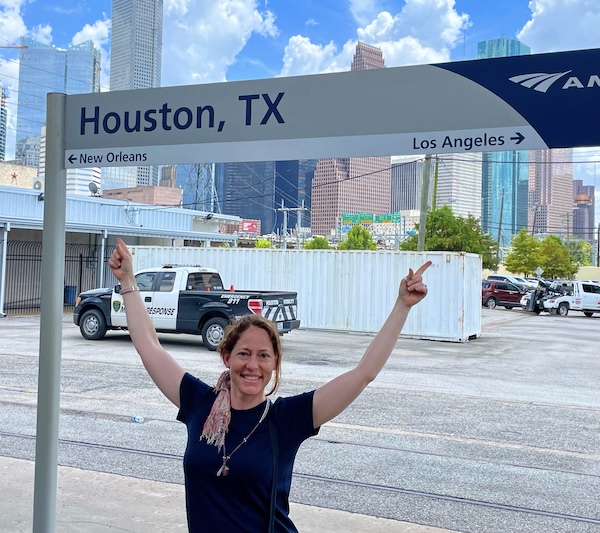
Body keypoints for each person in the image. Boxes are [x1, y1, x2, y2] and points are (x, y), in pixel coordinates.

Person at [108, 237, 431, 533]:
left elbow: (364, 372)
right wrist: (128, 281)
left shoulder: (287, 419)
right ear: (226, 358)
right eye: (244, 354)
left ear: (275, 363)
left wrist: (402, 306)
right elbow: (149, 346)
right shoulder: (198, 403)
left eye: (264, 355)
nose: (253, 365)